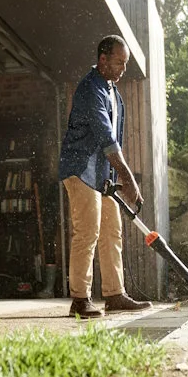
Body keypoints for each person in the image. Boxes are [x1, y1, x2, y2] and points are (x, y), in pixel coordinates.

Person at [59, 35, 153, 318]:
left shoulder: (113, 91)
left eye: (125, 63)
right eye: (119, 62)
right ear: (102, 59)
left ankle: (114, 295)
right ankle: (79, 300)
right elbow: (107, 140)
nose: (123, 69)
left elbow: (114, 143)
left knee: (112, 230)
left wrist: (118, 176)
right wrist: (130, 180)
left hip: (102, 174)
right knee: (87, 231)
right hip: (81, 169)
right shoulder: (91, 89)